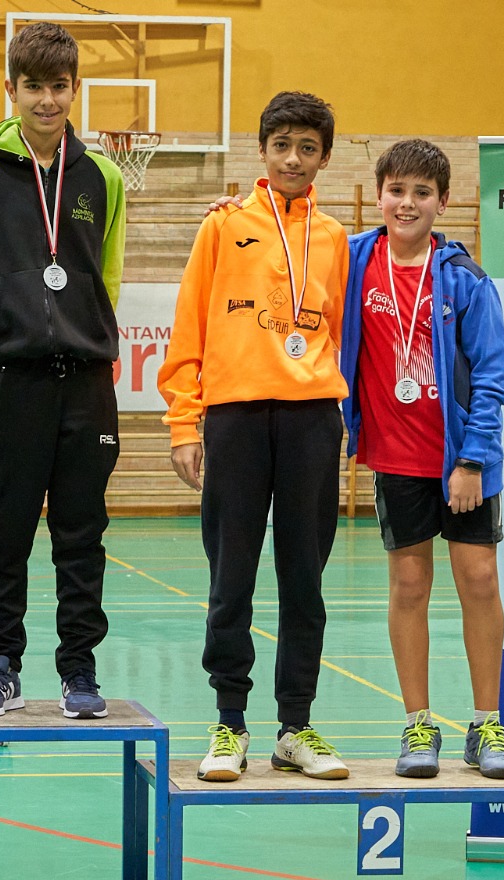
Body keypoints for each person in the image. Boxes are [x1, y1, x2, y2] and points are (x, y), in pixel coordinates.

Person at [159, 91, 351, 781]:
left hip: (310, 421)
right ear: (261, 150)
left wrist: (346, 420)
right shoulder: (223, 226)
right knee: (229, 576)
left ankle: (295, 726)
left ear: (324, 157)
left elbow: (342, 334)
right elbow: (189, 332)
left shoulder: (334, 238)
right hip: (235, 418)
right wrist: (187, 422)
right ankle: (230, 724)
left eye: (307, 147)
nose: (294, 158)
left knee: (305, 578)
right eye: (281, 145)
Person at [0, 21, 127, 720]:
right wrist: (3, 334)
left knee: (82, 532)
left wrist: (80, 332)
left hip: (86, 382)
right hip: (11, 379)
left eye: (59, 87)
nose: (47, 101)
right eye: (34, 87)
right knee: (8, 528)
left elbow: (104, 272)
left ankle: (79, 668)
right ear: (11, 89)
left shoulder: (103, 176)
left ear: (74, 89)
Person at [337, 139, 504, 780]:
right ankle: (418, 725)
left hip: (461, 466)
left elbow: (493, 375)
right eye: (397, 190)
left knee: (480, 582)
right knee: (409, 587)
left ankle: (487, 725)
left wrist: (472, 459)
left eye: (422, 193)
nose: (407, 203)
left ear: (443, 201)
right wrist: (230, 211)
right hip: (395, 458)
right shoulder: (353, 260)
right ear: (380, 193)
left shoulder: (463, 280)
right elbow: (288, 258)